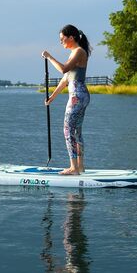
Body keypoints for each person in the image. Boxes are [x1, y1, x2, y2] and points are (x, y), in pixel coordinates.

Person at [41, 24, 91, 175]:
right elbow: (65, 80)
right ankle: (80, 167)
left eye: (62, 39)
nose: (61, 42)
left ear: (71, 37)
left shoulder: (79, 52)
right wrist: (52, 98)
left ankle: (74, 168)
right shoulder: (74, 53)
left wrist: (49, 57)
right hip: (80, 95)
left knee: (68, 130)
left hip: (77, 96)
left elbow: (64, 69)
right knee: (76, 131)